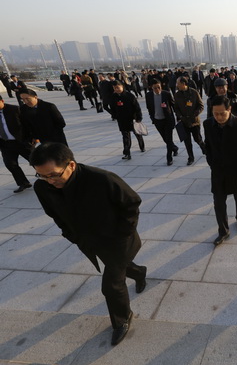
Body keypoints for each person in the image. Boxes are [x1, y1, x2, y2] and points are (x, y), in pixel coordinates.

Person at [30, 142, 147, 346]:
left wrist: (122, 234)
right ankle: (139, 272)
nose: (50, 181)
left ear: (71, 165)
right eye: (42, 175)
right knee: (119, 268)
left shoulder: (101, 179)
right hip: (90, 241)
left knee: (111, 284)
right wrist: (70, 234)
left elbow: (132, 203)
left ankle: (122, 320)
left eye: (54, 175)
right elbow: (54, 214)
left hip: (119, 240)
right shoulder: (42, 187)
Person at [203, 95, 237, 246]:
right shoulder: (208, 124)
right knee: (218, 203)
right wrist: (211, 162)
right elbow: (208, 146)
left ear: (229, 109)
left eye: (222, 113)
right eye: (215, 113)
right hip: (218, 172)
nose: (218, 117)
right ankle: (223, 231)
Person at [0, 95, 33, 193]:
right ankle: (23, 182)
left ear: (2, 101)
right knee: (10, 164)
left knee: (35, 160)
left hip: (21, 141)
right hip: (5, 144)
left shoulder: (14, 109)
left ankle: (47, 177)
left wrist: (32, 138)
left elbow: (28, 124)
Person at [174, 77, 206, 166]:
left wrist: (195, 114)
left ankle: (204, 149)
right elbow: (175, 108)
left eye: (178, 83)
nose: (177, 85)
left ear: (183, 83)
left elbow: (201, 106)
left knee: (198, 139)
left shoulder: (194, 92)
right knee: (187, 142)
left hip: (194, 121)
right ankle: (190, 157)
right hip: (184, 122)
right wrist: (180, 116)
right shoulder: (177, 95)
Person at [145, 79, 178, 166]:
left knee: (169, 138)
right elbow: (149, 108)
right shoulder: (148, 95)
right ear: (151, 88)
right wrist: (152, 118)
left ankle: (169, 157)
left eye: (158, 87)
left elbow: (173, 105)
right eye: (155, 88)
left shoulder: (166, 94)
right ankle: (174, 148)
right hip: (157, 120)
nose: (157, 90)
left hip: (167, 120)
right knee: (165, 139)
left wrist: (178, 116)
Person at [110, 81, 145, 160]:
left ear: (122, 87)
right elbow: (112, 107)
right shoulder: (113, 97)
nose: (117, 89)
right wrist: (114, 115)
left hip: (132, 119)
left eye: (118, 87)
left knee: (137, 134)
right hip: (122, 120)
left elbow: (137, 107)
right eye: (115, 88)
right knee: (125, 137)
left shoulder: (129, 96)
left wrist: (138, 117)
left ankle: (142, 146)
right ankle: (127, 153)